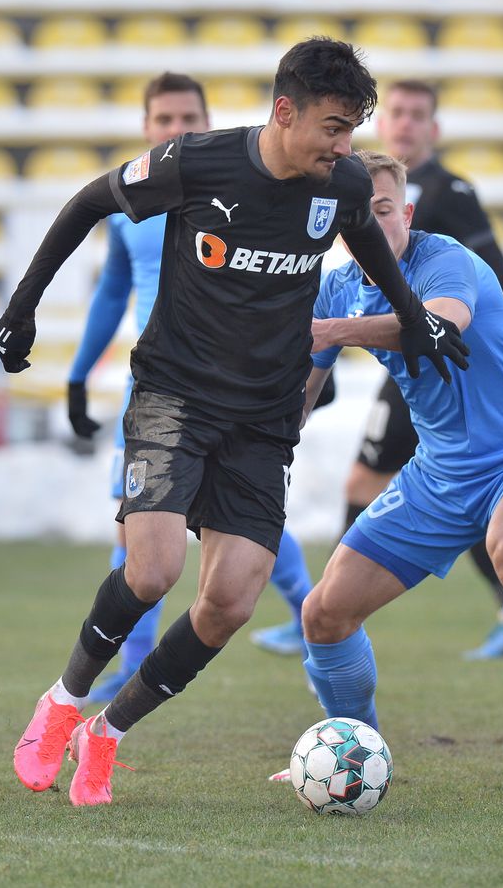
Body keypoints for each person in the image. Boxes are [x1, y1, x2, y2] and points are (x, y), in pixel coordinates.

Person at [0, 37, 468, 806]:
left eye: (351, 130)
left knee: (230, 603)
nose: (344, 146)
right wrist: (23, 309)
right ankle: (62, 701)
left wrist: (414, 318)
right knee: (152, 571)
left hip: (264, 417)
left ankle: (106, 733)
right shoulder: (197, 162)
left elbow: (368, 243)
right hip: (174, 394)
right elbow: (87, 202)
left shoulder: (343, 183)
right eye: (333, 127)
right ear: (284, 112)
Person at [294, 149, 503, 794]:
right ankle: (356, 750)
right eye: (356, 214)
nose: (371, 224)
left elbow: (437, 325)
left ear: (406, 213)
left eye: (383, 210)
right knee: (323, 614)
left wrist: (332, 330)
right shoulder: (338, 288)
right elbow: (300, 396)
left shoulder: (445, 260)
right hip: (439, 476)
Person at [66, 73, 317, 701]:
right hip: (161, 387)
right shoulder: (132, 207)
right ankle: (130, 663)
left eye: (188, 119)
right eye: (164, 119)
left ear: (207, 123)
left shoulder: (242, 193)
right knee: (136, 533)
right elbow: (112, 294)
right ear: (146, 127)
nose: (176, 129)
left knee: (241, 523)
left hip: (240, 388)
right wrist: (77, 374)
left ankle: (309, 614)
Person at [349, 79, 503, 661]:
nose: (404, 122)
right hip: (401, 356)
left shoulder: (452, 192)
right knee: (371, 481)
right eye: (396, 112)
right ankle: (330, 610)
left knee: (447, 490)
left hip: (443, 357)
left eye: (416, 115)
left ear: (434, 128)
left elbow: (495, 279)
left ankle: (330, 612)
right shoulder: (360, 187)